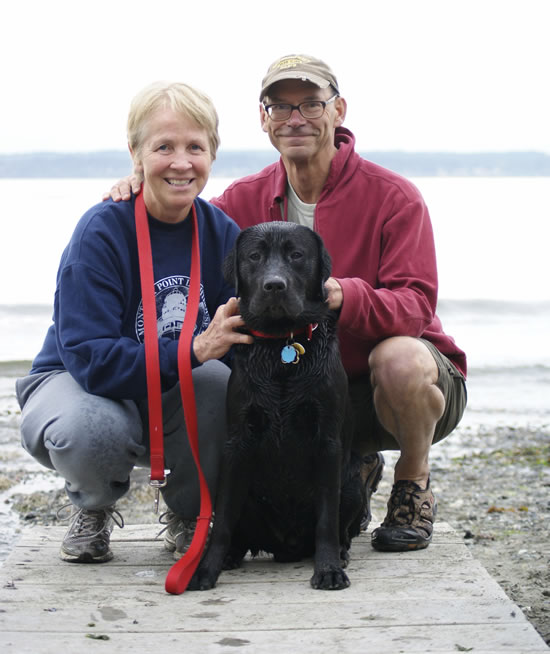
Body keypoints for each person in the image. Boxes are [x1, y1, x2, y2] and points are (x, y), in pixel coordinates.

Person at [106, 54, 467, 553]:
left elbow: (416, 306)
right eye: (280, 107)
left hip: (393, 389)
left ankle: (411, 481)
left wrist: (343, 293)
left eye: (311, 104)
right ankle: (343, 470)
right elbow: (185, 223)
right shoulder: (242, 200)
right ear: (264, 119)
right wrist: (137, 186)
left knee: (400, 357)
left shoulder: (394, 197)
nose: (294, 118)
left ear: (338, 110)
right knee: (233, 385)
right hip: (304, 388)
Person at [15, 81, 253, 564]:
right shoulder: (100, 231)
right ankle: (94, 506)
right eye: (163, 147)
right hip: (78, 383)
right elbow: (91, 360)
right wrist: (191, 350)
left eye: (195, 147)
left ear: (213, 154)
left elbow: (242, 336)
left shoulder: (220, 232)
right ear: (136, 154)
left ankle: (189, 514)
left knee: (219, 383)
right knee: (92, 426)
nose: (181, 162)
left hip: (169, 390)